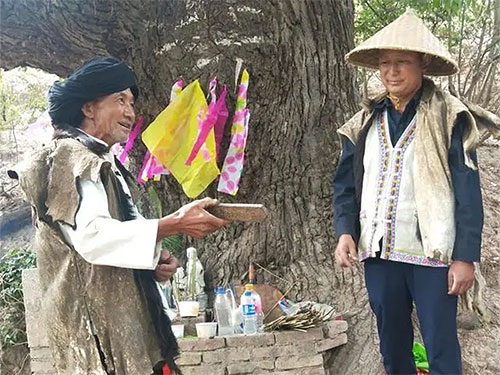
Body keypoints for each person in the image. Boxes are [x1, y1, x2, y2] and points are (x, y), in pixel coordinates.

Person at [15, 57, 228, 375]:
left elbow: (108, 235)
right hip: (98, 342)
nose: (131, 112)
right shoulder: (69, 158)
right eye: (120, 100)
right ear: (89, 108)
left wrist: (153, 256)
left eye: (132, 102)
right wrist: (172, 223)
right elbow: (92, 238)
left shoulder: (101, 159)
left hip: (129, 333)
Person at [333, 10, 483, 375]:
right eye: (385, 64)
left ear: (423, 64)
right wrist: (344, 231)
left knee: (440, 345)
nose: (391, 72)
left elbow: (468, 189)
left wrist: (465, 257)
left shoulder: (449, 116)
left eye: (402, 62)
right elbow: (345, 184)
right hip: (380, 252)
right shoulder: (365, 121)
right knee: (392, 344)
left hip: (433, 255)